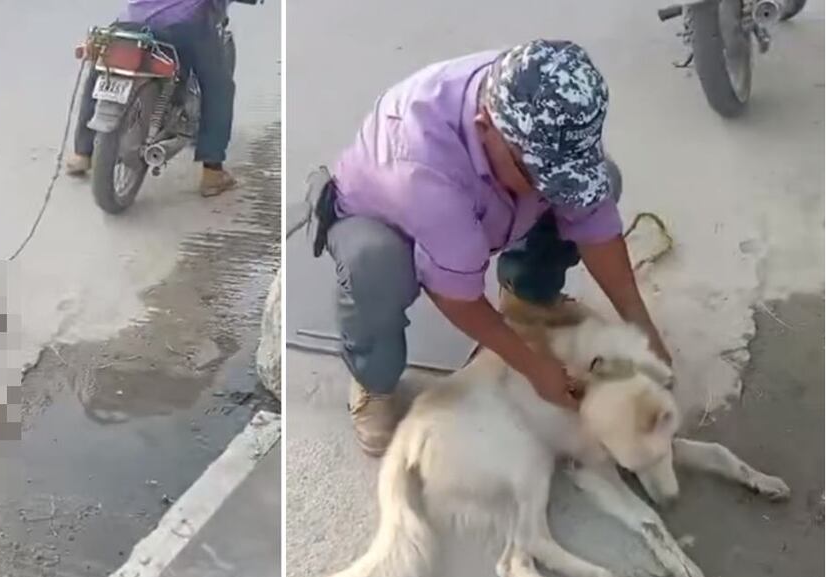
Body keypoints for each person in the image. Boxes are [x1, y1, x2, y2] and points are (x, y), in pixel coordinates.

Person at [306, 39, 672, 457]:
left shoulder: (541, 95)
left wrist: (641, 330)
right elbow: (456, 297)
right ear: (485, 128)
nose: (548, 189)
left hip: (480, 206)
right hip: (386, 220)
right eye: (536, 174)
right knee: (373, 266)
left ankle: (529, 299)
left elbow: (593, 221)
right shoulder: (424, 170)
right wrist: (535, 369)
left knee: (602, 179)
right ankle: (374, 380)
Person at [66, 0, 237, 197]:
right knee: (218, 87)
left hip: (132, 20)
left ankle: (83, 153)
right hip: (183, 26)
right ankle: (213, 172)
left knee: (104, 68)